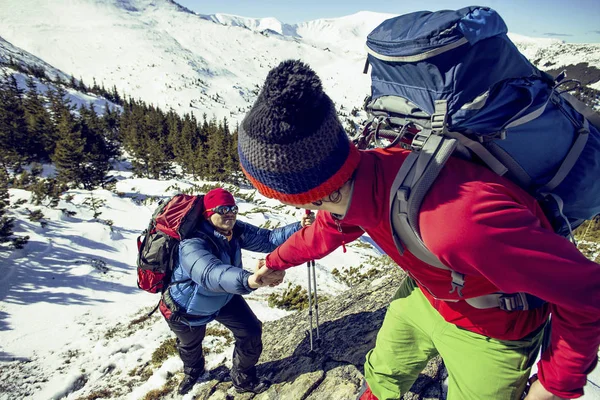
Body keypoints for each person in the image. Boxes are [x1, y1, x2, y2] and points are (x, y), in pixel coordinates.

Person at [237, 60, 600, 400]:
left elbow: (587, 292)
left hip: (494, 331)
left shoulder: (461, 223)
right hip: (426, 295)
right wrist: (276, 261)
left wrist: (556, 385)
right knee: (383, 373)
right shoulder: (363, 176)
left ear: (305, 195)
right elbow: (329, 230)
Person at [159, 187, 313, 395]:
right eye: (223, 209)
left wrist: (299, 227)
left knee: (250, 331)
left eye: (233, 208)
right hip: (186, 307)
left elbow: (268, 239)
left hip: (223, 296)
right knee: (190, 344)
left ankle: (243, 379)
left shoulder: (234, 231)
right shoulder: (192, 244)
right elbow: (210, 274)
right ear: (208, 213)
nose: (229, 213)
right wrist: (250, 280)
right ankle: (193, 372)